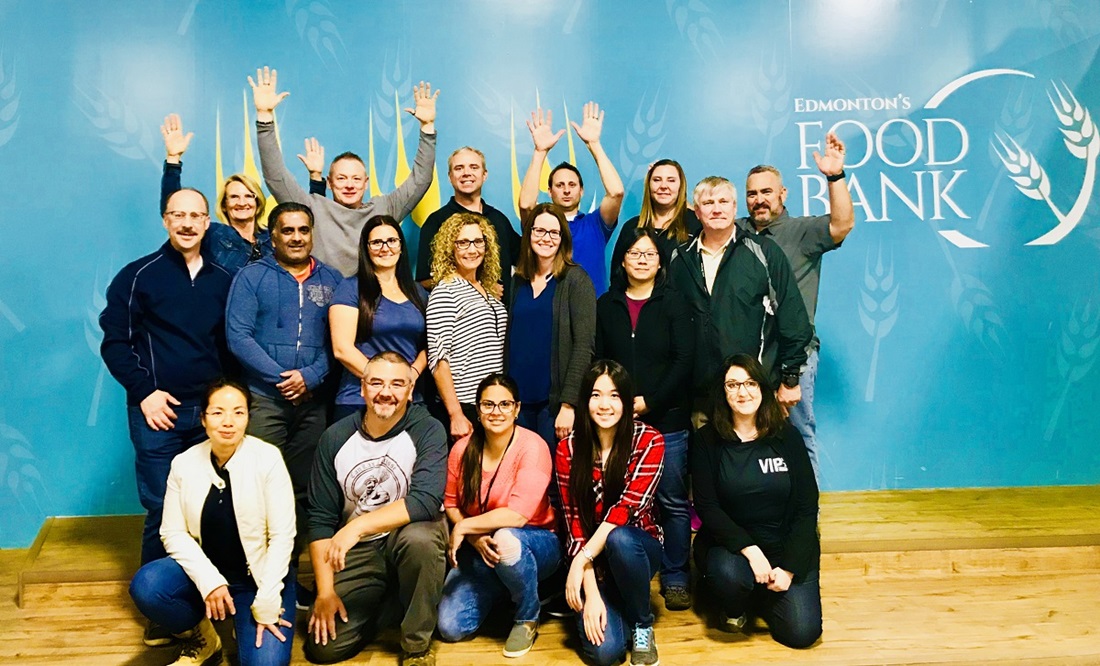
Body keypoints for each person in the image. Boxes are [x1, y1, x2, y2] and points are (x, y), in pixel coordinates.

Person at [99, 188, 233, 646]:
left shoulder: (222, 277)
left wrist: (227, 406)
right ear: (164, 220)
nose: (188, 223)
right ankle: (163, 610)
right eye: (178, 214)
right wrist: (146, 395)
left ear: (208, 221)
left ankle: (211, 592)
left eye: (196, 215)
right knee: (162, 507)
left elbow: (228, 346)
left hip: (210, 416)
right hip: (157, 411)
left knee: (212, 508)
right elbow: (114, 342)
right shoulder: (137, 276)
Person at [129, 378, 297, 666]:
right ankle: (204, 639)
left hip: (256, 580)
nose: (228, 422)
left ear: (248, 418)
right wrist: (209, 582)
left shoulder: (267, 459)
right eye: (218, 412)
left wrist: (269, 598)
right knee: (148, 584)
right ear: (204, 419)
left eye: (238, 412)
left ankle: (242, 620)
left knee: (266, 663)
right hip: (205, 573)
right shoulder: (184, 463)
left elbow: (283, 536)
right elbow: (172, 533)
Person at [305, 352, 448, 666]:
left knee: (421, 540)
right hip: (359, 550)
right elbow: (319, 519)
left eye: (398, 384)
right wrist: (325, 592)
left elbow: (424, 500)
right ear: (362, 388)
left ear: (410, 391)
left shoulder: (428, 430)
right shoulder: (335, 437)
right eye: (377, 383)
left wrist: (355, 526)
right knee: (324, 650)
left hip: (406, 537)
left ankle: (416, 647)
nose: (387, 392)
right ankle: (390, 605)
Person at [225, 201, 341, 560]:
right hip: (265, 400)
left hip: (313, 402)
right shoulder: (251, 277)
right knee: (259, 486)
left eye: (303, 230)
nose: (296, 237)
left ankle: (290, 572)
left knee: (306, 489)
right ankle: (253, 573)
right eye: (287, 230)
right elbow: (238, 336)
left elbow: (338, 340)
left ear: (312, 234)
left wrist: (310, 376)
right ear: (272, 235)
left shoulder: (332, 279)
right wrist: (282, 379)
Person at [251, 66, 439, 276]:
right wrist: (264, 117)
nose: (349, 184)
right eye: (341, 178)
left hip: (371, 303)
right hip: (324, 302)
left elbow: (421, 180)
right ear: (329, 183)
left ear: (366, 182)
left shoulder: (383, 208)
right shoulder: (312, 208)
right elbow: (275, 176)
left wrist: (427, 127)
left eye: (356, 179)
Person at [739, 133, 854, 477]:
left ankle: (806, 519)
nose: (759, 200)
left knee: (798, 434)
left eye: (766, 192)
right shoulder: (735, 230)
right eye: (752, 193)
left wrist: (834, 176)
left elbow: (842, 224)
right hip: (747, 356)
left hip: (795, 355)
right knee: (746, 438)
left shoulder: (802, 231)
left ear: (783, 194)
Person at [691, 354, 822, 649]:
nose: (742, 392)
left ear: (762, 388)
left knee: (802, 634)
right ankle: (736, 603)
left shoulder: (787, 437)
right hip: (733, 550)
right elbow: (708, 508)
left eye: (750, 383)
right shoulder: (706, 441)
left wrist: (789, 569)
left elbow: (806, 506)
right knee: (729, 576)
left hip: (784, 547)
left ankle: (765, 594)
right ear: (722, 393)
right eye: (733, 385)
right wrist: (751, 552)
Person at [595, 227, 695, 611]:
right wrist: (620, 404)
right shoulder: (607, 305)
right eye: (634, 253)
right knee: (622, 500)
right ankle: (623, 569)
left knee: (671, 500)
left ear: (660, 262)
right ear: (621, 259)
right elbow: (600, 361)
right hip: (617, 422)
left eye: (649, 254)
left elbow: (683, 361)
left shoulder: (675, 303)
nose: (641, 259)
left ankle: (675, 576)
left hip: (666, 420)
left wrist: (648, 401)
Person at [436, 374, 560, 658]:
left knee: (506, 539)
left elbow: (518, 515)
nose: (496, 412)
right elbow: (451, 503)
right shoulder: (461, 449)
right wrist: (475, 536)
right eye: (488, 404)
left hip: (534, 542)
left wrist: (467, 526)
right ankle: (507, 589)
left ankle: (527, 616)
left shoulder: (533, 447)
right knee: (450, 627)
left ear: (517, 409)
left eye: (505, 404)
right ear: (477, 411)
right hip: (481, 549)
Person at [668, 176, 812, 416]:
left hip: (755, 391)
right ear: (697, 212)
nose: (717, 209)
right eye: (708, 202)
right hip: (699, 397)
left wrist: (790, 379)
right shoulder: (680, 259)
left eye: (724, 201)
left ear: (734, 208)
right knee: (707, 454)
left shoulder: (764, 253)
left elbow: (792, 316)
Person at [555, 360, 665, 666]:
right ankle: (621, 608)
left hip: (637, 548)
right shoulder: (568, 449)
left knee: (619, 538)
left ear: (627, 401)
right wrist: (589, 592)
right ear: (585, 401)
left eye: (614, 396)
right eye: (596, 395)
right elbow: (574, 522)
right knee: (606, 654)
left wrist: (579, 561)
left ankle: (642, 623)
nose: (605, 405)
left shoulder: (649, 440)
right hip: (595, 566)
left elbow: (625, 511)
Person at [159, 113, 327, 274]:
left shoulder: (272, 237)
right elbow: (174, 206)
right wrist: (173, 159)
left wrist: (316, 178)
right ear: (225, 204)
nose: (242, 202)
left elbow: (309, 217)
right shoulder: (213, 235)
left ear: (258, 202)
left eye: (248, 196)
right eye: (234, 197)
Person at [505, 203, 596, 449]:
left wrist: (569, 404)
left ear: (562, 238)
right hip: (517, 403)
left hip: (553, 406)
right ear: (529, 234)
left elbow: (583, 346)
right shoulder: (518, 282)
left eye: (553, 233)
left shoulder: (576, 280)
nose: (546, 238)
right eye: (539, 231)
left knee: (553, 481)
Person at [518, 103, 624, 296]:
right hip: (551, 313)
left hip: (593, 315)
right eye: (559, 185)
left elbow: (616, 193)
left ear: (582, 191)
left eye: (572, 185)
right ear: (549, 191)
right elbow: (525, 204)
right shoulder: (541, 225)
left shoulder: (595, 224)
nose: (566, 190)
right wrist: (540, 152)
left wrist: (594, 145)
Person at [330, 216, 429, 423]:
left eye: (392, 241)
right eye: (377, 242)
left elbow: (429, 346)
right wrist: (384, 385)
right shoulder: (350, 288)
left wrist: (410, 376)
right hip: (358, 400)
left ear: (401, 246)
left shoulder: (419, 293)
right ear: (366, 248)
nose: (385, 248)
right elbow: (342, 349)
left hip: (410, 400)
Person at [425, 213, 507, 441]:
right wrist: (456, 414)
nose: (472, 249)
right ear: (450, 248)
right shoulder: (446, 291)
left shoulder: (486, 289)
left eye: (478, 241)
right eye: (463, 243)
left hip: (491, 404)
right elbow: (438, 359)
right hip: (465, 405)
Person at [416, 146, 520, 298]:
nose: (466, 173)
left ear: (484, 175)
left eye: (474, 167)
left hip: (503, 318)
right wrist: (480, 287)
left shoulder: (499, 220)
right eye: (459, 168)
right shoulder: (436, 222)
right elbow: (424, 281)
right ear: (450, 176)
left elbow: (528, 261)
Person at [610, 159, 701, 276]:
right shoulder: (632, 226)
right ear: (648, 185)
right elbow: (617, 276)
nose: (663, 186)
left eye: (671, 180)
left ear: (681, 186)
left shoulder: (695, 224)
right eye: (657, 180)